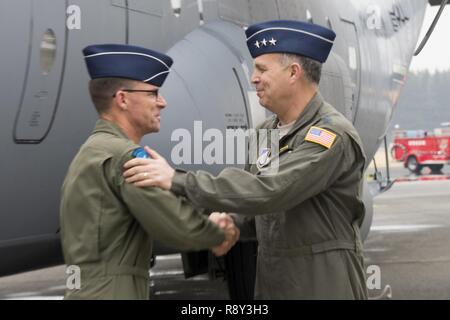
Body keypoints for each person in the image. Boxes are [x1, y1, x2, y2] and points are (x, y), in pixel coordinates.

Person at [123, 20, 368, 299]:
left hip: (324, 285)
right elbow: (259, 209)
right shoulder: (265, 134)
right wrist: (231, 221)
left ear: (293, 73)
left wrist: (175, 179)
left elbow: (273, 191)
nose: (253, 78)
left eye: (262, 69)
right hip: (274, 284)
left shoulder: (329, 135)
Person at [59, 44, 239, 300]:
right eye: (153, 93)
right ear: (122, 99)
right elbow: (174, 223)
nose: (162, 103)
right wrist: (220, 232)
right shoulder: (127, 157)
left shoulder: (91, 151)